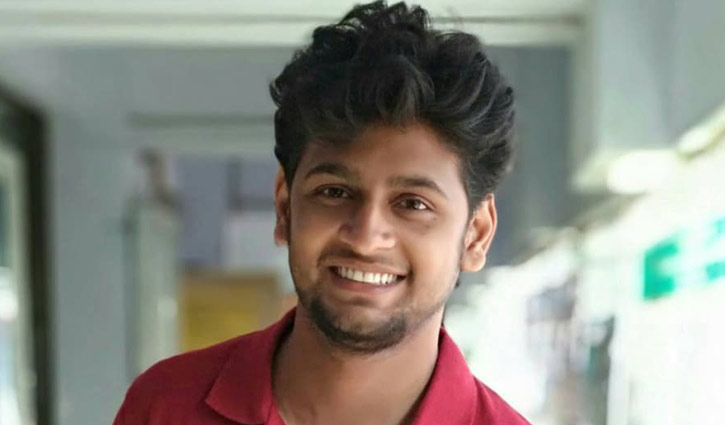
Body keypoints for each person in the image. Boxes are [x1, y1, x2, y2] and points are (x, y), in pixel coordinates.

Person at [112, 1, 528, 424]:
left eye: (413, 204)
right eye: (334, 192)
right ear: (284, 208)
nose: (365, 237)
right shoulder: (164, 407)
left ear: (476, 234)